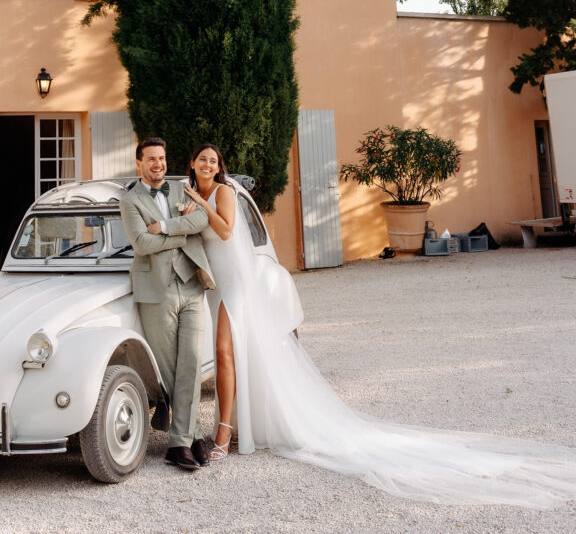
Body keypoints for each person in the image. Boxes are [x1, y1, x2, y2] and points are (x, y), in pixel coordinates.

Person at [184, 141, 576, 508]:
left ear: (219, 168)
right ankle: (237, 429)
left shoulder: (224, 192)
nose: (208, 165)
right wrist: (187, 213)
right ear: (192, 164)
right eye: (202, 160)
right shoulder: (189, 197)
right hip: (216, 283)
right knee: (234, 357)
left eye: (213, 161)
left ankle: (222, 436)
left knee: (224, 351)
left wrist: (200, 202)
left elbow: (225, 230)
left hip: (237, 281)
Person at [119, 137, 215, 472]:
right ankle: (194, 436)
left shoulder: (180, 188)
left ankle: (179, 443)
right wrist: (180, 231)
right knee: (172, 370)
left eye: (162, 158)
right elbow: (142, 244)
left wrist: (164, 227)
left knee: (190, 359)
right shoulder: (128, 200)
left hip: (191, 282)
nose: (159, 164)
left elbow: (201, 221)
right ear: (139, 164)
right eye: (151, 159)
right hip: (154, 291)